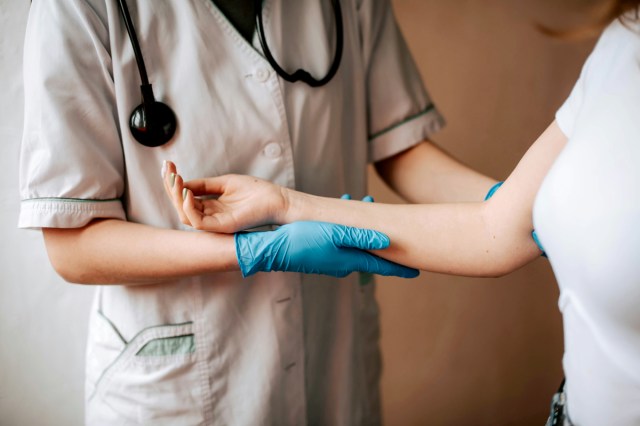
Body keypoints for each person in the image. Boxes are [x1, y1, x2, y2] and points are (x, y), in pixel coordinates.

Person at [19, 1, 497, 424]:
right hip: (183, 384)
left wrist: (518, 204)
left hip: (331, 357)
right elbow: (72, 244)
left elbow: (400, 144)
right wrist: (254, 250)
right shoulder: (78, 8)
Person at [162, 2, 640, 425]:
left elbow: (502, 225)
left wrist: (531, 216)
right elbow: (501, 225)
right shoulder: (623, 41)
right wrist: (281, 210)